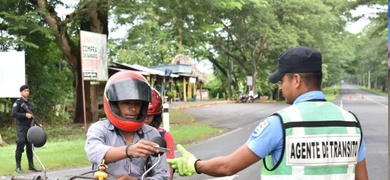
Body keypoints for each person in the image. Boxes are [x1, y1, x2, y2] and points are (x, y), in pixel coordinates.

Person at [167, 46, 369, 180]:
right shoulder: (351, 122)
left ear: (296, 80)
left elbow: (228, 167)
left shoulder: (282, 123)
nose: (281, 88)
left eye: (282, 81)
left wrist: (196, 164)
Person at [84, 71, 169, 180]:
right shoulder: (99, 129)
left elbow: (163, 176)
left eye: (137, 104)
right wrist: (129, 150)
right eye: (126, 103)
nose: (133, 109)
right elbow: (94, 153)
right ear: (114, 105)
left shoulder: (152, 133)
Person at [144, 88, 175, 180]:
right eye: (141, 114)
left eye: (148, 115)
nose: (144, 118)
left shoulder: (164, 136)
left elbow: (168, 172)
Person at [11, 84, 41, 173]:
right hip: (22, 128)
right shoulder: (18, 102)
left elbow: (33, 115)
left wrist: (37, 124)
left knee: (30, 147)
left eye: (27, 91)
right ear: (21, 92)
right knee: (20, 145)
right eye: (25, 91)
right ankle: (18, 167)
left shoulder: (30, 103)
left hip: (30, 127)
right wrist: (25, 115)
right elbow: (13, 114)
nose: (27, 92)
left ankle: (31, 165)